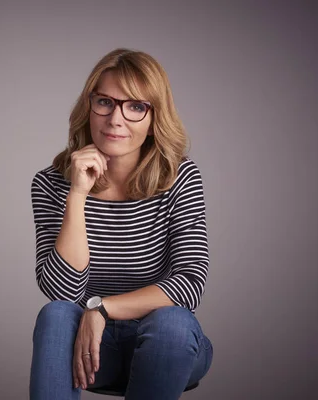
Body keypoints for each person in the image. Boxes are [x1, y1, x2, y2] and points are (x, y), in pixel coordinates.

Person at [29, 48, 213, 400]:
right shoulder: (50, 183)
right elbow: (62, 293)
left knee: (171, 321)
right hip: (91, 353)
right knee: (55, 315)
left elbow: (190, 283)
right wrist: (77, 194)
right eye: (105, 102)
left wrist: (101, 309)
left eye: (135, 106)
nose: (116, 119)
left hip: (166, 347)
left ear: (153, 117)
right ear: (89, 107)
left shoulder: (180, 177)